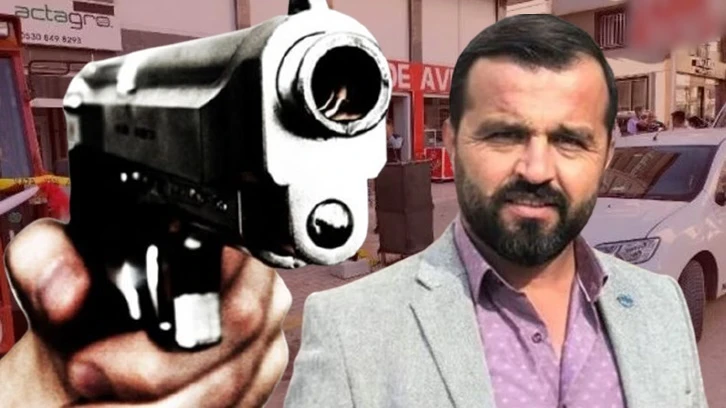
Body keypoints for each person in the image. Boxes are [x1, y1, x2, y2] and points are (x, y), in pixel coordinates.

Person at [0, 14, 706, 408]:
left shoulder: (660, 306)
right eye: (503, 134)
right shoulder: (352, 327)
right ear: (448, 144)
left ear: (606, 153)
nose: (537, 168)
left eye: (570, 140)